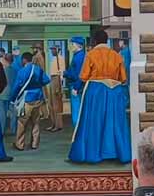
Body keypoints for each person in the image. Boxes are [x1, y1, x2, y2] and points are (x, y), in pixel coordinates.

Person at [69, 29, 131, 164]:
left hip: (95, 92)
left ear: (94, 41)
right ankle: (117, 152)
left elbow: (84, 76)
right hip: (114, 91)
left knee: (94, 122)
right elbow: (124, 79)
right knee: (115, 122)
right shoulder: (117, 55)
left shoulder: (91, 55)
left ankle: (93, 154)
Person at [11, 52, 51, 151]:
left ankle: (19, 144)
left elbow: (17, 87)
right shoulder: (39, 69)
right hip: (38, 98)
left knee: (22, 122)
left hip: (27, 98)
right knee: (36, 121)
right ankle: (34, 143)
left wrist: (13, 99)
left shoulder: (22, 71)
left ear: (24, 60)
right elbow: (46, 80)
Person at [64, 37, 86, 128]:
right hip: (77, 85)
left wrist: (65, 73)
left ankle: (77, 131)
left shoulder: (78, 57)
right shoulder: (79, 55)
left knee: (76, 110)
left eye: (72, 44)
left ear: (78, 45)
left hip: (75, 86)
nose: (71, 46)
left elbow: (78, 74)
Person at [47, 45, 67, 133]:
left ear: (57, 50)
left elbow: (62, 73)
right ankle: (53, 123)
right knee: (51, 104)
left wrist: (59, 86)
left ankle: (58, 125)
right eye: (51, 50)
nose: (52, 51)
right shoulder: (54, 59)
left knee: (56, 105)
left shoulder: (60, 59)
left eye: (53, 50)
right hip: (52, 79)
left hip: (57, 79)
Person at [0, 53, 19, 136]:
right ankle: (14, 130)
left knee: (2, 113)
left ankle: (2, 130)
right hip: (13, 94)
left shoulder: (2, 71)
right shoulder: (15, 70)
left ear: (5, 60)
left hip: (2, 94)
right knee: (13, 112)